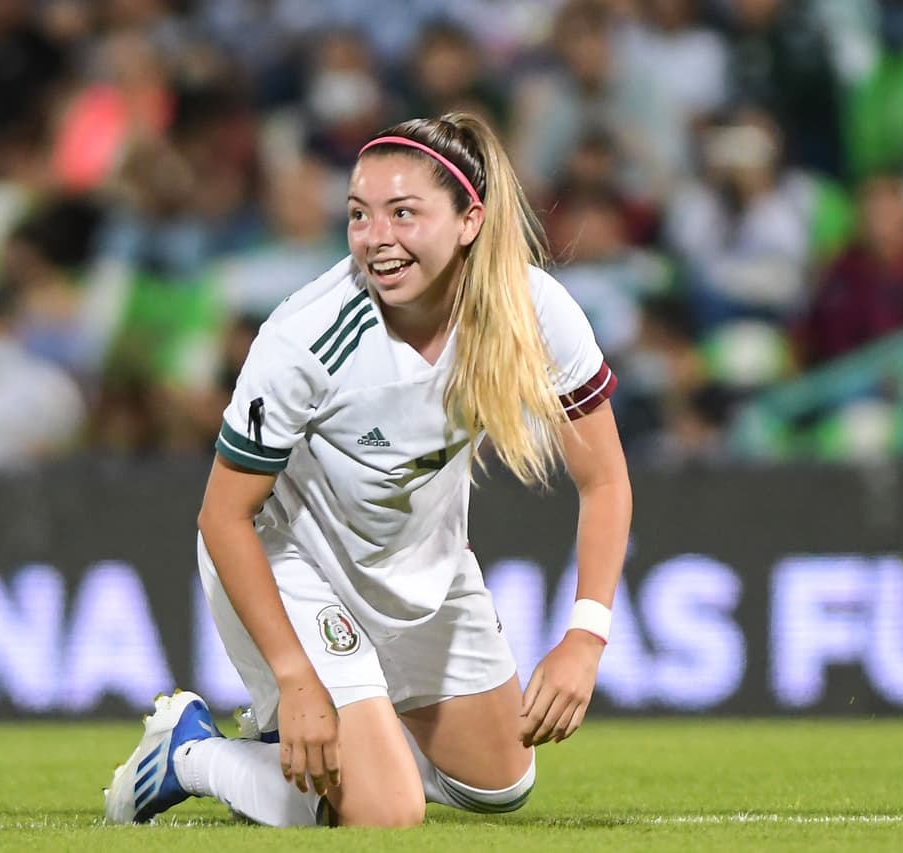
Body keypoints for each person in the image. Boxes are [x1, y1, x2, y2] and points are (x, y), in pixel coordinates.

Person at [104, 112, 632, 828]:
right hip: (294, 559)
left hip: (423, 566)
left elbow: (604, 480)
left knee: (500, 784)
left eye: (403, 213)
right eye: (359, 214)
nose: (376, 238)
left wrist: (585, 637)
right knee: (387, 810)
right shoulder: (306, 337)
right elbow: (222, 516)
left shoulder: (535, 311)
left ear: (469, 220)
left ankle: (326, 759)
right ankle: (190, 751)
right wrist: (296, 680)